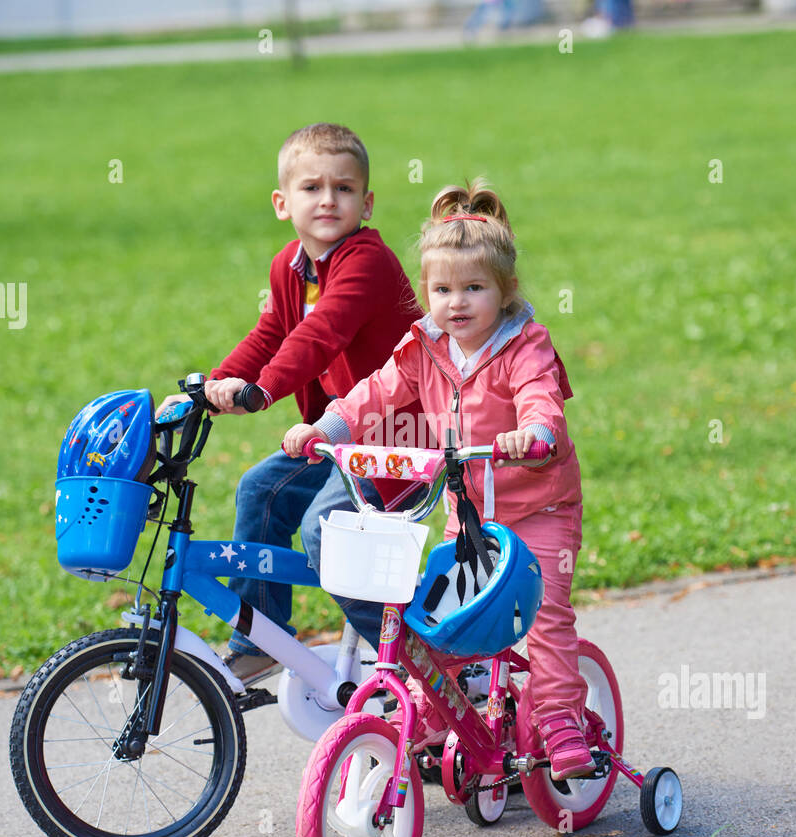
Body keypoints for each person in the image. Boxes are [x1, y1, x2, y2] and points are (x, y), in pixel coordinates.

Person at [282, 178, 594, 781]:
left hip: (540, 508)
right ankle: (438, 709)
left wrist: (533, 434)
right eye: (443, 289)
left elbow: (540, 399)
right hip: (469, 511)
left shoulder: (524, 344)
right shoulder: (424, 345)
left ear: (504, 292)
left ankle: (559, 718)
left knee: (548, 616)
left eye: (473, 288)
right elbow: (376, 394)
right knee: (443, 617)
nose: (456, 303)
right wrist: (328, 427)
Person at [156, 123, 426, 683]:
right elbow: (273, 333)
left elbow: (320, 335)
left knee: (325, 529)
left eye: (344, 188)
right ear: (283, 202)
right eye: (312, 188)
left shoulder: (366, 262)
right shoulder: (289, 268)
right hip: (338, 438)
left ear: (367, 202)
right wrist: (214, 386)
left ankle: (419, 663)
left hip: (398, 440)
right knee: (260, 490)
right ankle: (263, 637)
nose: (328, 199)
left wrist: (261, 393)